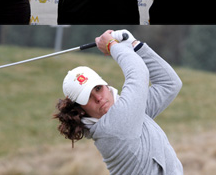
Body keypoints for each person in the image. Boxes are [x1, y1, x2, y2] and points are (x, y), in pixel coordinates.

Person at [54, 29, 183, 174]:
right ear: (80, 109)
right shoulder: (113, 127)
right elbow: (139, 73)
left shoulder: (130, 113)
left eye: (98, 88)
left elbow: (169, 83)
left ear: (106, 86)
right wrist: (112, 45)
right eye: (87, 97)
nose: (98, 98)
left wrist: (134, 45)